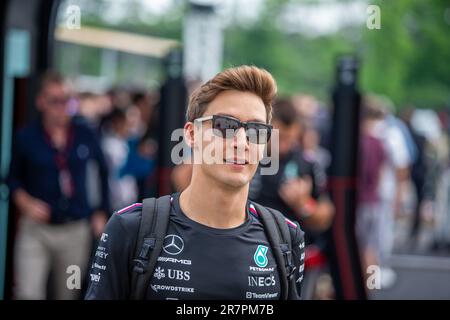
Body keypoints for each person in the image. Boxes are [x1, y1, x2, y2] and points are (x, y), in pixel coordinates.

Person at [85, 65, 305, 300]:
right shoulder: (130, 228)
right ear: (191, 134)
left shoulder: (285, 237)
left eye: (256, 130)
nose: (242, 142)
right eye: (225, 126)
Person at [8, 71, 111, 299]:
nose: (61, 107)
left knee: (69, 291)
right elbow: (12, 179)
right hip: (36, 231)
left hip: (75, 231)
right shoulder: (27, 137)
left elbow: (103, 171)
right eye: (55, 101)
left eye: (67, 100)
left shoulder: (85, 134)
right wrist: (25, 202)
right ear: (41, 102)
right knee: (28, 292)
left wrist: (101, 211)